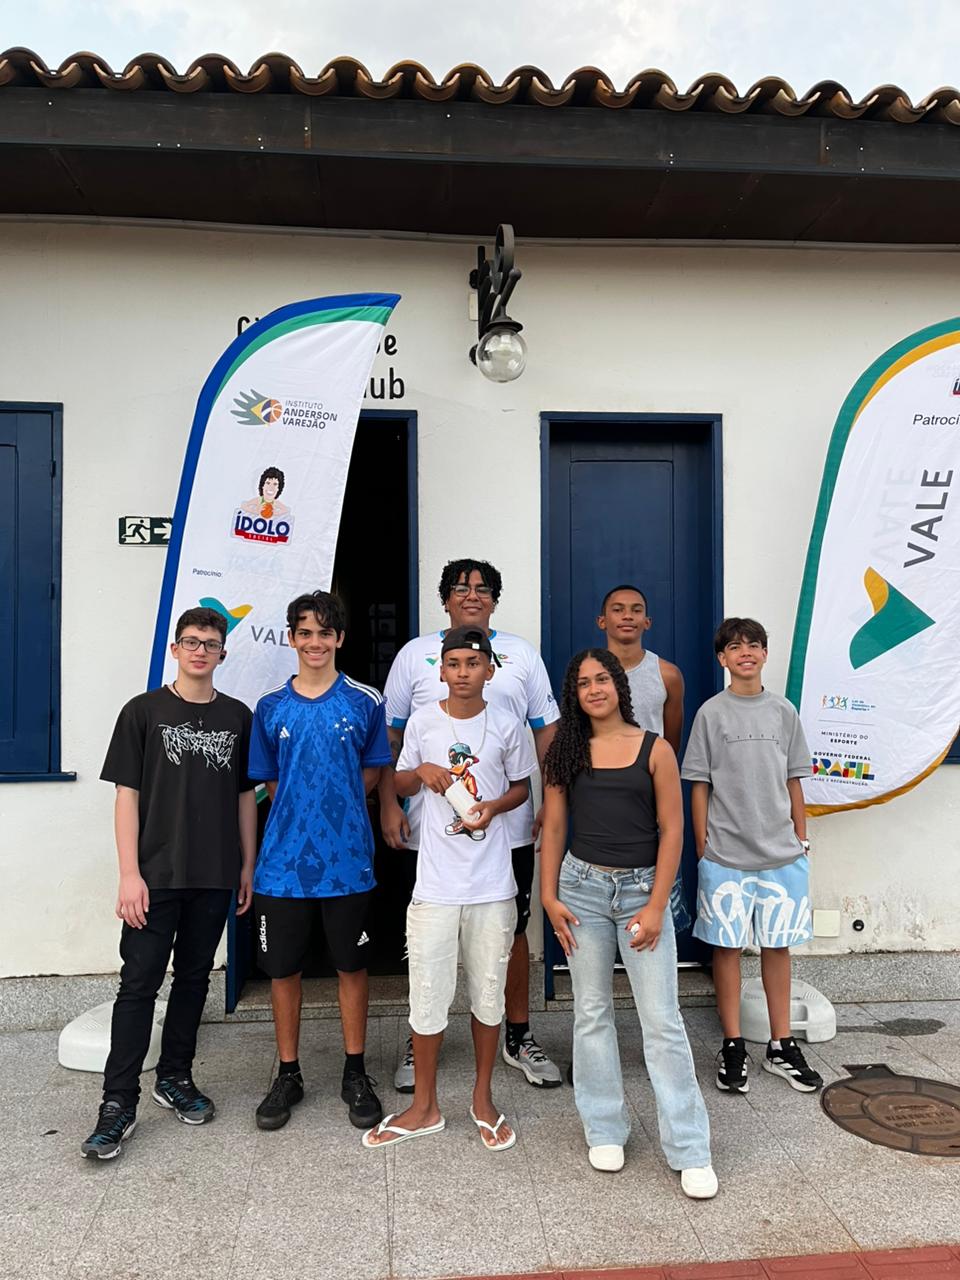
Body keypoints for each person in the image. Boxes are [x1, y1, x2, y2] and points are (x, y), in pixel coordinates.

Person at [540, 648, 717, 1198]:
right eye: (583, 683)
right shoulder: (566, 751)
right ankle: (604, 1127)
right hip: (581, 893)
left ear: (619, 684)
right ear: (574, 695)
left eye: (602, 679)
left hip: (642, 894)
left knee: (661, 1019)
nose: (594, 689)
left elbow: (673, 830)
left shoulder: (655, 749)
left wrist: (658, 904)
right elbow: (554, 826)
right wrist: (547, 896)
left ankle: (690, 1148)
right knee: (591, 1013)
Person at [81, 607, 256, 1159]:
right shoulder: (143, 711)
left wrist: (246, 865)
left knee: (194, 979)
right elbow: (126, 796)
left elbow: (245, 796)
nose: (200, 650)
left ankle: (175, 1076)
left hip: (214, 874)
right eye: (191, 642)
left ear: (223, 653)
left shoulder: (238, 716)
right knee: (138, 985)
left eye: (210, 643)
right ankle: (117, 1102)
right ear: (175, 650)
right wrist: (129, 874)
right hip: (153, 876)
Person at [380, 558, 561, 1091]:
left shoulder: (522, 654)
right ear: (445, 599)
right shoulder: (414, 655)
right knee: (427, 933)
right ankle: (419, 1039)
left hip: (507, 829)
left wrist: (553, 801)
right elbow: (391, 738)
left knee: (510, 930)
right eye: (461, 588)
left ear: (495, 600)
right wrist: (389, 802)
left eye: (483, 588)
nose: (472, 595)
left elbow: (545, 733)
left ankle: (518, 1035)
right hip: (430, 831)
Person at [363, 626, 537, 1151]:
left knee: (488, 995)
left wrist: (494, 807)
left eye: (473, 663)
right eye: (454, 664)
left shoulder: (507, 723)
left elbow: (522, 786)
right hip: (435, 884)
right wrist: (423, 770)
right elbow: (398, 782)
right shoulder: (422, 720)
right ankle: (425, 1106)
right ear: (440, 671)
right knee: (427, 995)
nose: (463, 672)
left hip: (492, 884)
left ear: (490, 670)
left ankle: (483, 1100)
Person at [248, 590, 392, 1132]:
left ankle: (355, 1072)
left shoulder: (364, 701)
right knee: (283, 970)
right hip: (282, 865)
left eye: (324, 633)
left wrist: (337, 813)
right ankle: (288, 1073)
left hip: (347, 861)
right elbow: (269, 780)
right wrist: (301, 816)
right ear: (291, 638)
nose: (315, 642)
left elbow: (373, 770)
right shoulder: (270, 707)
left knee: (351, 967)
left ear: (340, 638)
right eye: (305, 632)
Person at [681, 617, 823, 1096]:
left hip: (782, 853)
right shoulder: (711, 713)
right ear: (721, 658)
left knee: (777, 947)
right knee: (726, 948)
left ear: (765, 653)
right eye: (735, 646)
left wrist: (800, 836)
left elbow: (794, 778)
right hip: (725, 853)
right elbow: (699, 784)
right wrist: (703, 844)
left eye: (754, 645)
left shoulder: (783, 711)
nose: (745, 652)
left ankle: (781, 1044)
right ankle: (733, 1043)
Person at [597, 584, 684, 749]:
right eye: (618, 610)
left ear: (647, 622)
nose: (627, 616)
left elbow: (670, 745)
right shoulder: (587, 674)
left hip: (650, 764)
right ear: (602, 621)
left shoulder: (668, 675)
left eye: (636, 610)